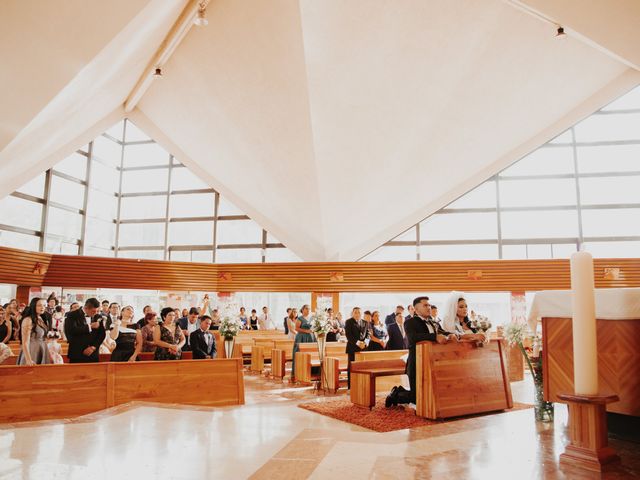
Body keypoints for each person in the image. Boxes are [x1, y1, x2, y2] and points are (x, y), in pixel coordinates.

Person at [388, 296, 450, 406]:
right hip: (417, 363)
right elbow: (413, 338)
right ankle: (396, 394)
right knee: (416, 398)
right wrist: (434, 337)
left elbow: (443, 332)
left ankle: (402, 391)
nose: (429, 307)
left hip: (432, 362)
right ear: (416, 310)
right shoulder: (410, 322)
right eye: (425, 305)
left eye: (429, 305)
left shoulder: (433, 322)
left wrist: (452, 335)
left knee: (428, 394)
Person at [65, 298, 105, 363]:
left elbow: (102, 334)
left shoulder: (98, 317)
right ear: (86, 308)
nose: (95, 313)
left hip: (93, 354)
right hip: (77, 353)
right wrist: (90, 326)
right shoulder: (72, 315)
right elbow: (71, 331)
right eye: (93, 311)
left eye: (97, 311)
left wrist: (93, 347)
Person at [17, 298, 51, 365]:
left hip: (42, 348)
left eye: (44, 305)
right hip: (32, 350)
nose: (42, 307)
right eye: (39, 305)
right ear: (33, 306)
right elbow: (25, 342)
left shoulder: (40, 318)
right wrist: (28, 359)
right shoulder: (28, 320)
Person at [345, 307, 369, 388]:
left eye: (359, 312)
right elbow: (349, 336)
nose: (357, 314)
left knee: (363, 368)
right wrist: (359, 343)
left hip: (363, 349)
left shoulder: (365, 322)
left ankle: (361, 385)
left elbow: (368, 334)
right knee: (351, 368)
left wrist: (365, 343)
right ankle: (351, 387)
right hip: (352, 348)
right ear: (352, 313)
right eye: (355, 312)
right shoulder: (349, 322)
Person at [291, 305, 315, 381]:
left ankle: (311, 373)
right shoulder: (300, 318)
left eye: (309, 309)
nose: (308, 310)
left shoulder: (312, 318)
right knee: (300, 354)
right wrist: (306, 331)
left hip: (311, 337)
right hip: (301, 337)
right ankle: (298, 373)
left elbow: (314, 327)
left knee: (311, 354)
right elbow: (296, 328)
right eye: (306, 309)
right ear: (302, 310)